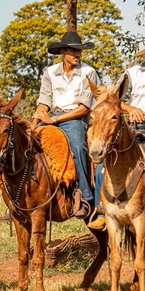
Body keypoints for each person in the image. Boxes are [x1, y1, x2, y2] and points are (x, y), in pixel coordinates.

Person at [31, 31, 101, 220]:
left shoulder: (89, 73)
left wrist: (54, 120)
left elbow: (84, 108)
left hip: (75, 119)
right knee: (26, 144)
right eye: (73, 51)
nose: (77, 54)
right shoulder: (50, 73)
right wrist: (33, 124)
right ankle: (22, 197)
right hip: (52, 116)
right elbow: (44, 102)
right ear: (63, 51)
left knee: (78, 146)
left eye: (79, 51)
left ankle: (86, 197)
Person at [88, 46, 145, 230]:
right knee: (102, 166)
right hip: (135, 128)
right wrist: (132, 110)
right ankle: (103, 210)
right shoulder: (133, 74)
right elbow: (115, 101)